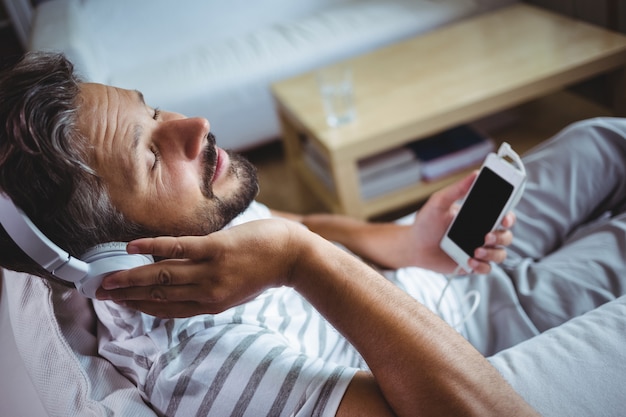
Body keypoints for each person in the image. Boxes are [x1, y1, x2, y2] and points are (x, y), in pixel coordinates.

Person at [0, 51, 624, 416]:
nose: (196, 126)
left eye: (155, 111)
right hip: (479, 334)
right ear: (113, 260)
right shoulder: (201, 361)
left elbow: (290, 225)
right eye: (154, 156)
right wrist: (297, 261)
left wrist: (404, 244)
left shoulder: (196, 219)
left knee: (602, 137)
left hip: (432, 273)